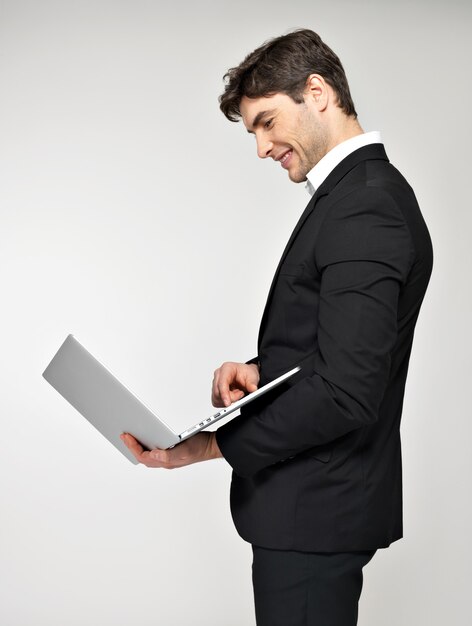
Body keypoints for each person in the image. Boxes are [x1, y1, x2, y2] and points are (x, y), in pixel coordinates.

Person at [121, 28, 433, 626]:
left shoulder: (365, 205)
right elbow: (342, 352)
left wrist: (211, 444)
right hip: (308, 515)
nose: (261, 148)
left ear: (317, 92)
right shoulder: (350, 198)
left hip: (316, 517)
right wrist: (264, 372)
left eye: (266, 122)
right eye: (252, 132)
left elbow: (346, 393)